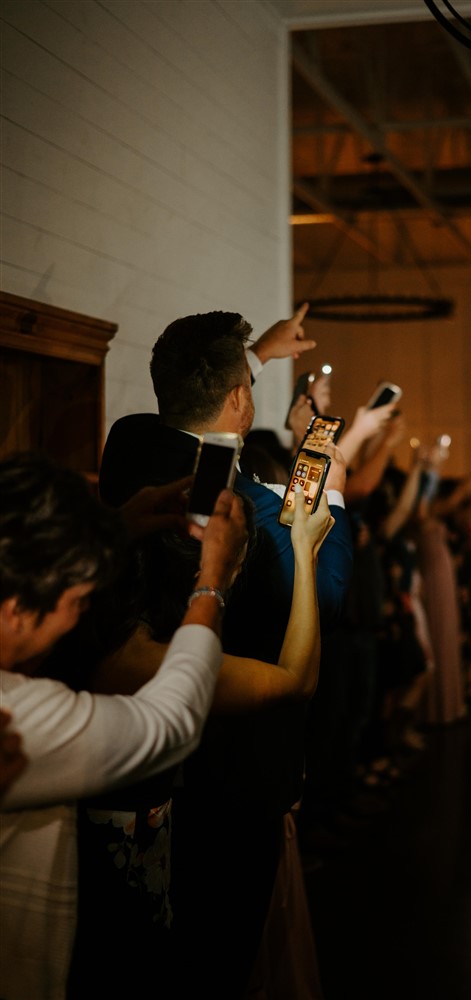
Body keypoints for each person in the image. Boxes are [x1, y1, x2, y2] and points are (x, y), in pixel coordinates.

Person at [93, 308, 353, 997]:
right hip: (229, 776)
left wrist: (256, 357)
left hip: (134, 779)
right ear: (241, 398)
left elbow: (189, 413)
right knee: (217, 958)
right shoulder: (255, 517)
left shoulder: (130, 449)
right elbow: (323, 600)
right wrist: (335, 486)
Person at [0, 452, 247, 1000]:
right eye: (78, 601)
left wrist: (112, 528)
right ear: (16, 609)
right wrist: (213, 583)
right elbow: (169, 723)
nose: (77, 618)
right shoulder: (18, 717)